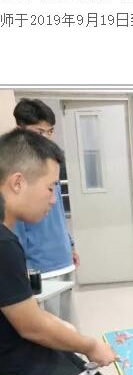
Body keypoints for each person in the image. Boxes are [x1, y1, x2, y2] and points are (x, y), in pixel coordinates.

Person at [0, 128, 133, 375]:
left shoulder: (7, 233)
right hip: (16, 365)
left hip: (17, 349)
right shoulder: (3, 242)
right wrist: (90, 344)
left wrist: (65, 334)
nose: (53, 199)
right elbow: (31, 326)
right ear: (17, 182)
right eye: (49, 188)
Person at [11, 98, 80, 275]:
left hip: (63, 259)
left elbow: (58, 213)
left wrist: (70, 244)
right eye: (39, 132)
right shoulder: (15, 172)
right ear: (20, 131)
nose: (46, 138)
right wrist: (20, 270)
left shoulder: (50, 165)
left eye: (50, 132)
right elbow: (14, 228)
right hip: (38, 269)